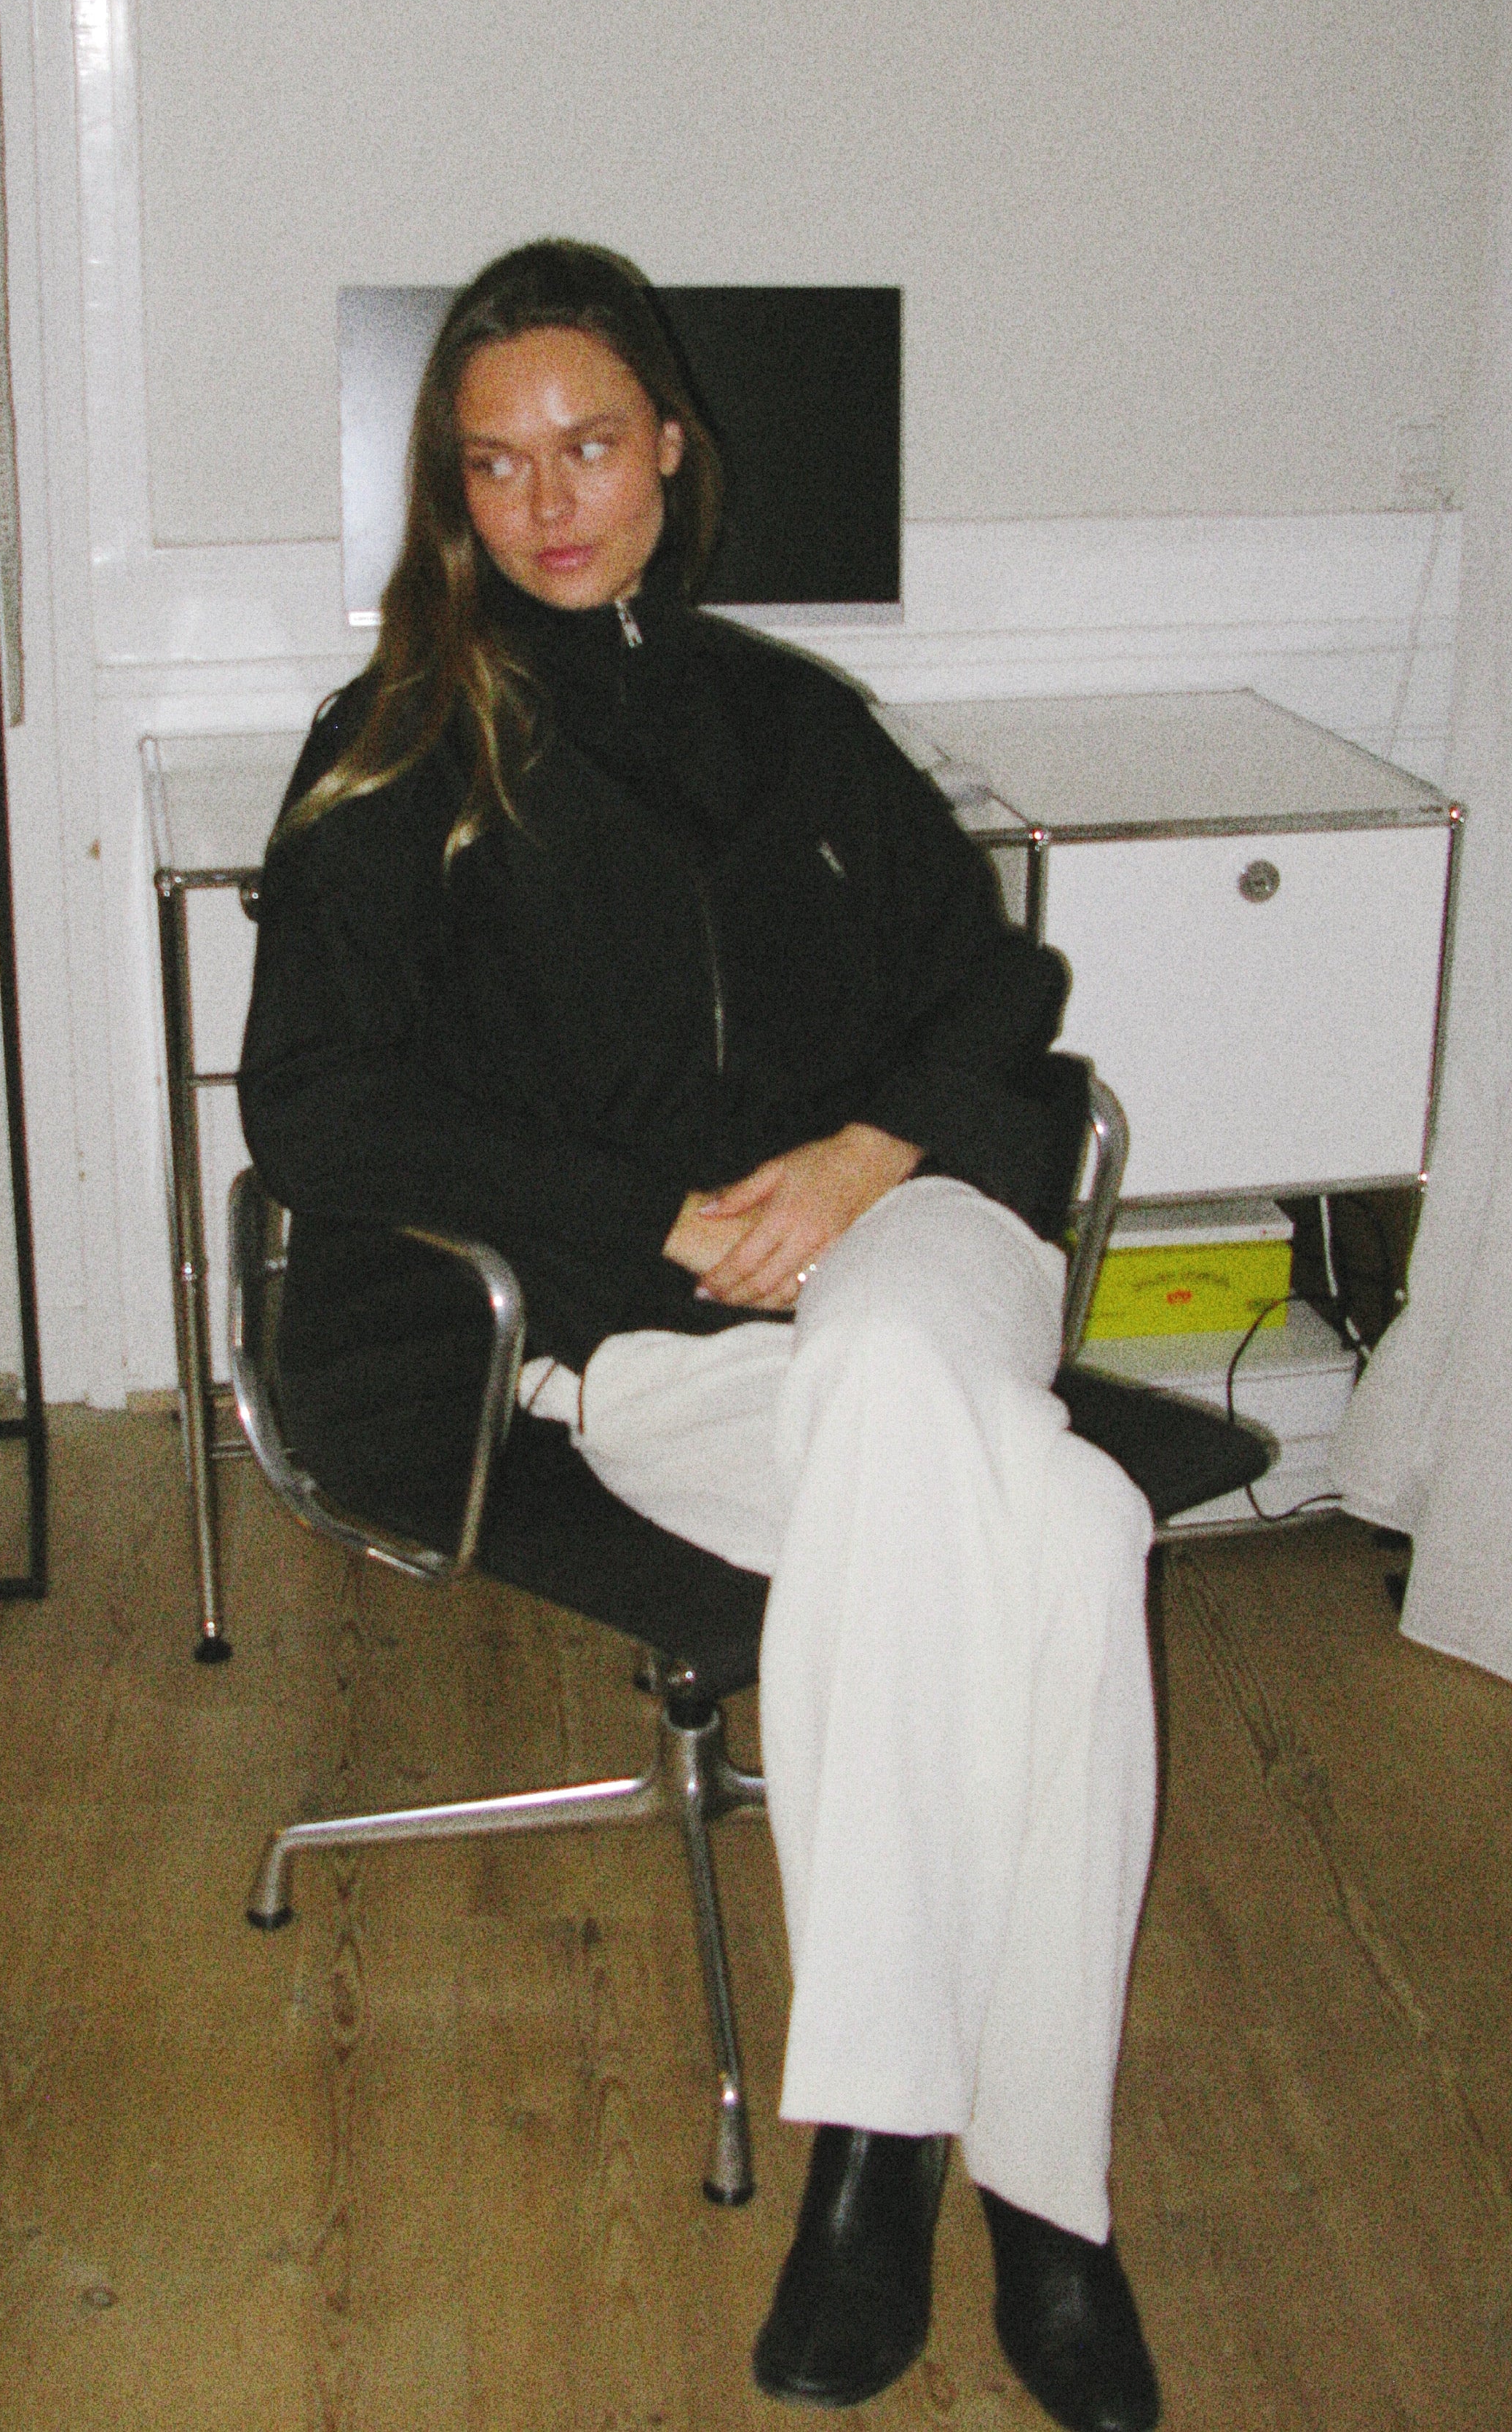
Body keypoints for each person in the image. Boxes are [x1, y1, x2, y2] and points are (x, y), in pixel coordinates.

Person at [238, 240, 1163, 2431]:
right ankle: (1047, 2207)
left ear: (671, 445)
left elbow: (995, 989)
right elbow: (321, 1106)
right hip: (654, 1336)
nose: (549, 502)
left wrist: (863, 1156)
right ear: (451, 493)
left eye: (588, 445)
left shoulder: (797, 723)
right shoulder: (395, 756)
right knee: (1065, 1538)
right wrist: (650, 1219)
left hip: (915, 1242)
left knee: (899, 1374)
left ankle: (874, 2157)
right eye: (495, 464)